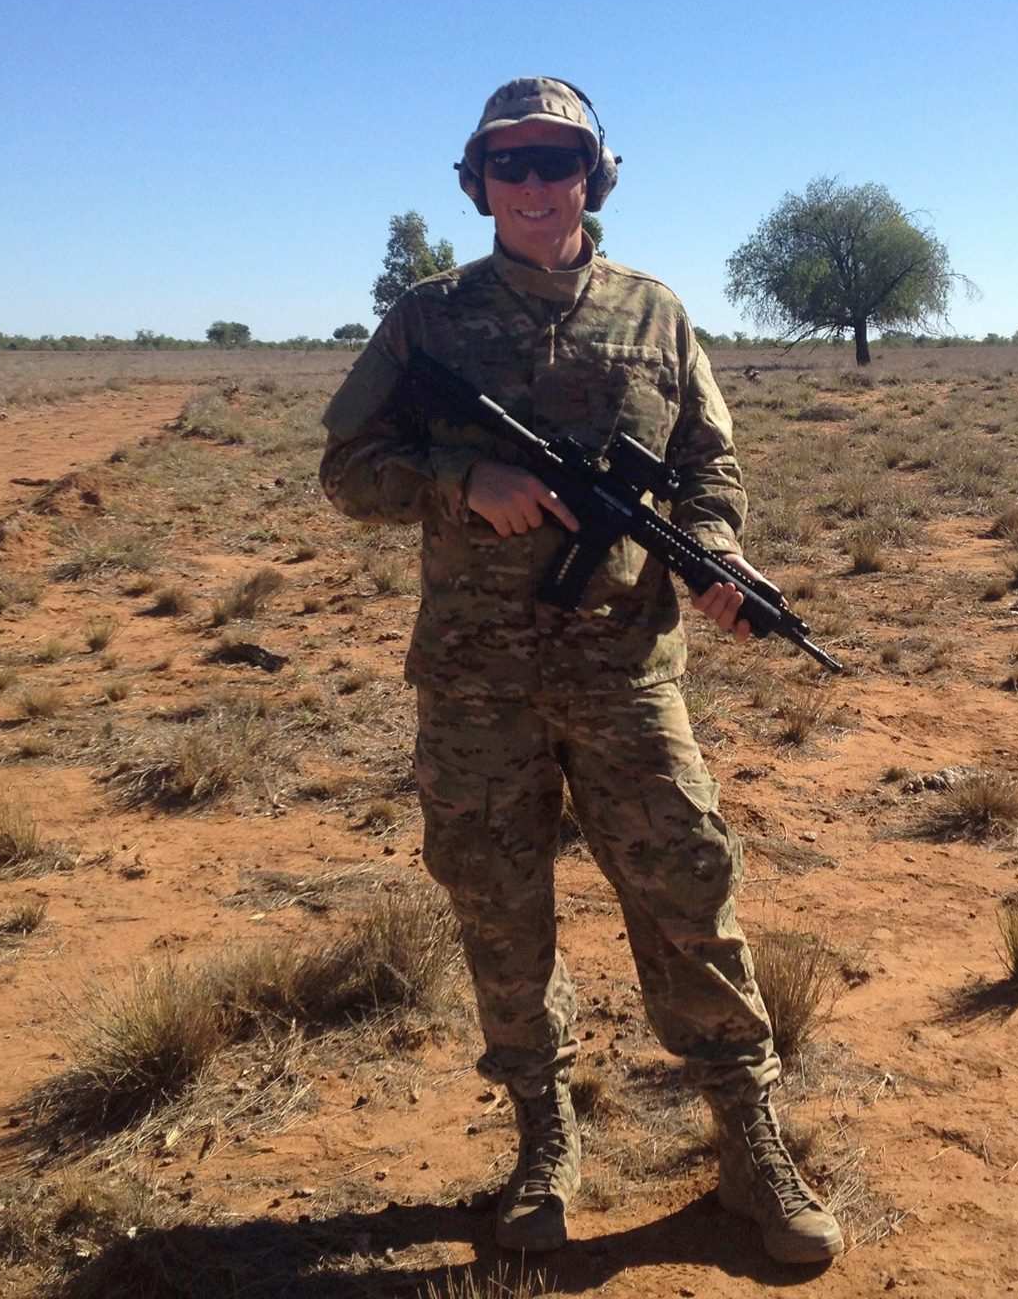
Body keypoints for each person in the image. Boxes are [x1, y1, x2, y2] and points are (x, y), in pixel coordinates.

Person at [318, 78, 842, 1264]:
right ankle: (541, 1138)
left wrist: (714, 553)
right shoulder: (426, 320)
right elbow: (349, 472)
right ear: (477, 181)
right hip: (474, 680)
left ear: (593, 176)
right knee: (497, 907)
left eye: (557, 160)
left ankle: (749, 1149)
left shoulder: (654, 314)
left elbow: (710, 465)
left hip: (626, 674)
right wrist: (463, 479)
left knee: (688, 898)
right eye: (508, 162)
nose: (533, 181)